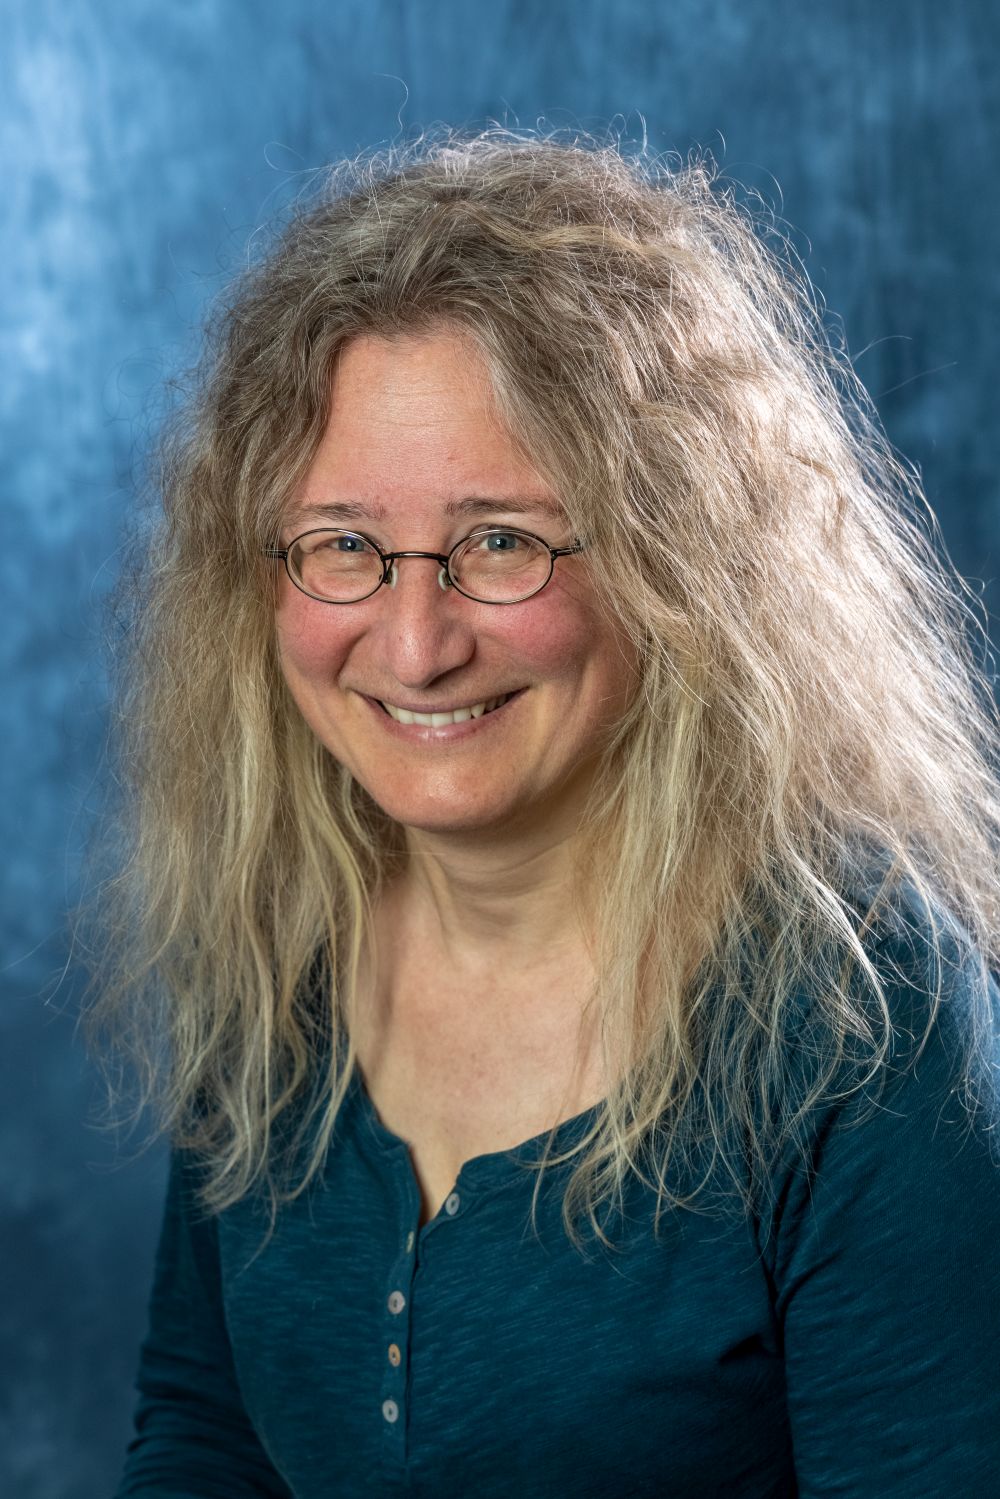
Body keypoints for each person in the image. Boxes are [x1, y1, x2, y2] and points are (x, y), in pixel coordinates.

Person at [89, 129, 1000, 1497]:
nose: (413, 645)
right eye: (343, 546)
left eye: (498, 543)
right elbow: (203, 1439)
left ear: (672, 555)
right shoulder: (289, 933)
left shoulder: (859, 1010)